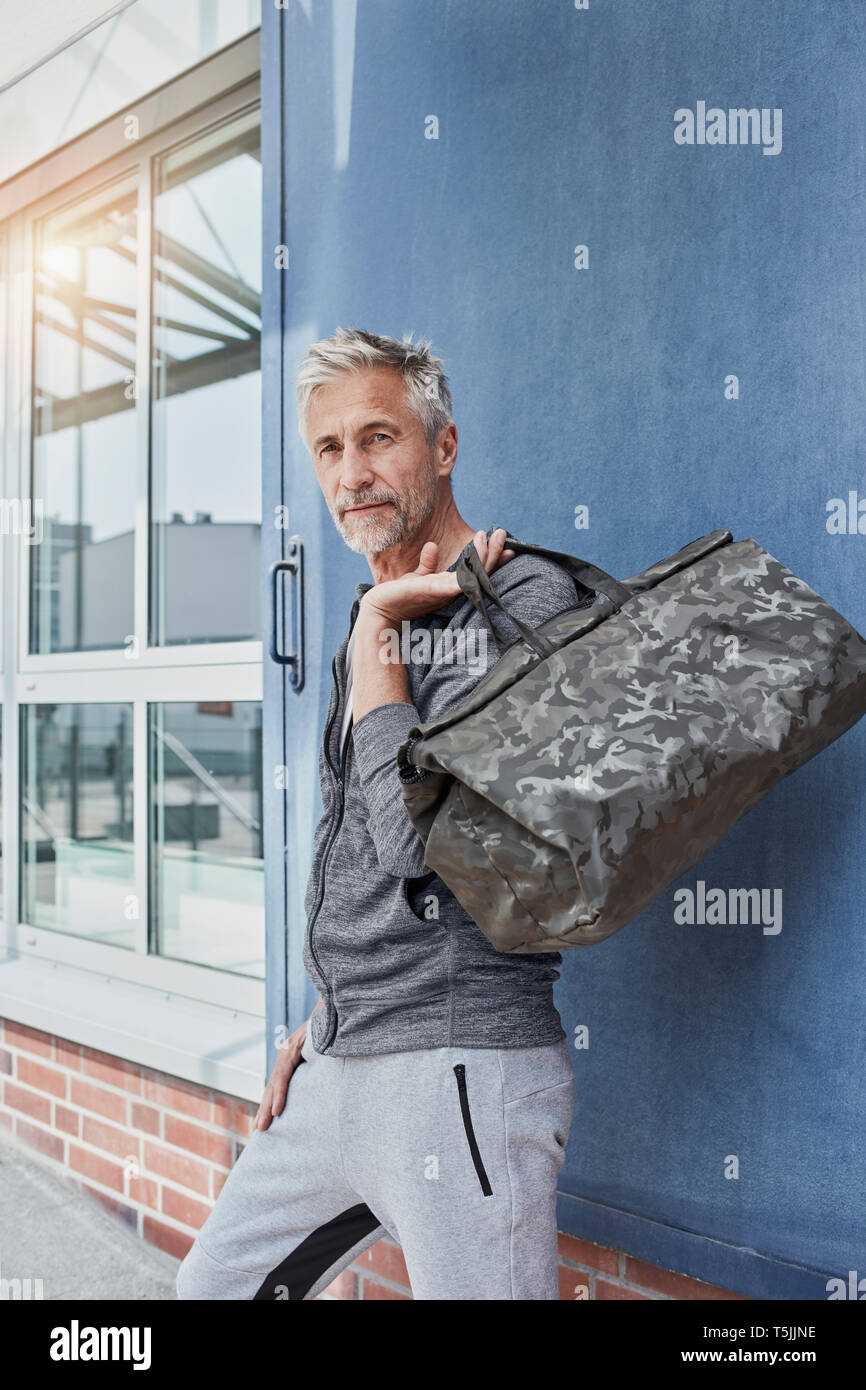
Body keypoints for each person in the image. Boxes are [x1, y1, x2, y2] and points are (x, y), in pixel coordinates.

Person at [176, 327, 578, 1301]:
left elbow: (412, 842)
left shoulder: (522, 602)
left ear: (441, 447)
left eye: (377, 437)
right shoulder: (375, 622)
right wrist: (322, 1016)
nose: (351, 472)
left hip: (456, 1064)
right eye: (328, 448)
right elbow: (348, 846)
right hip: (342, 1057)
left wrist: (376, 631)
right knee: (212, 1289)